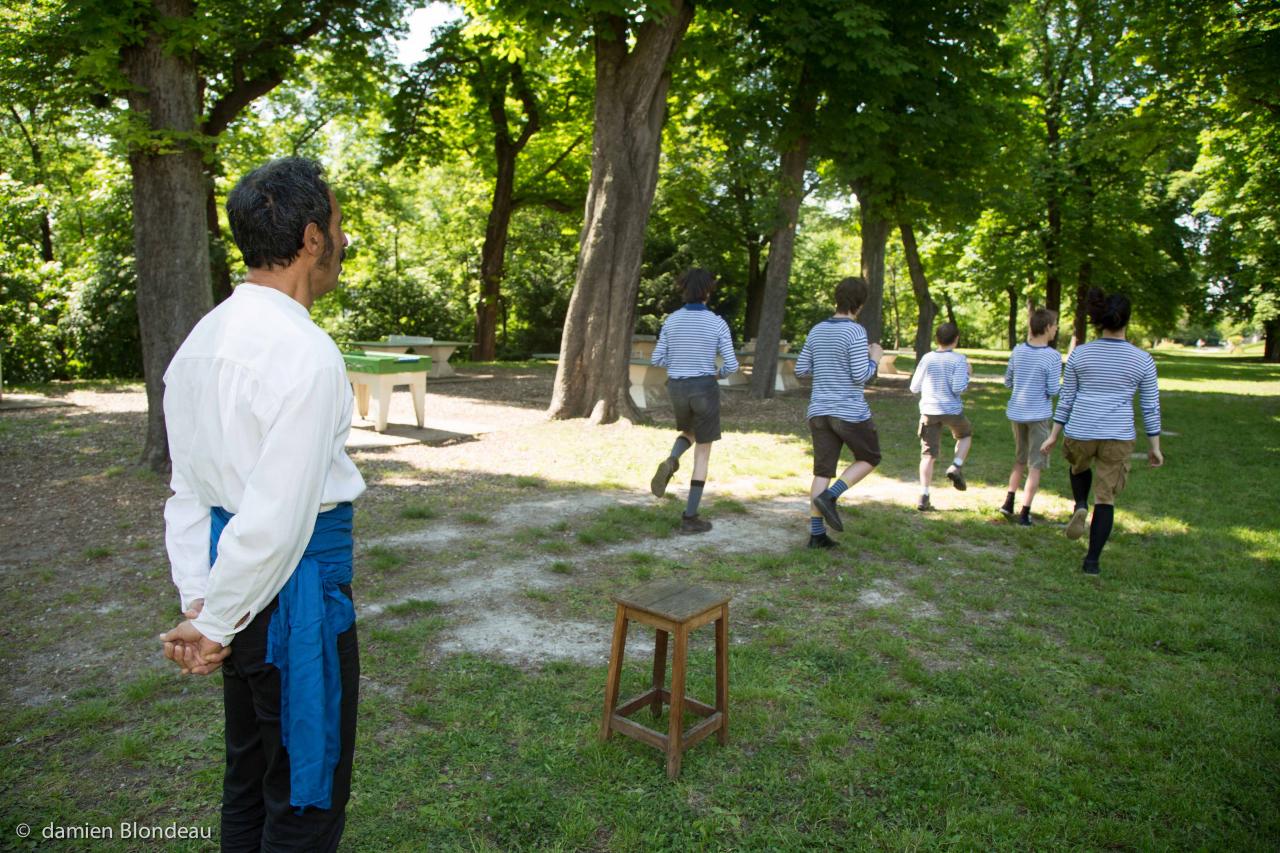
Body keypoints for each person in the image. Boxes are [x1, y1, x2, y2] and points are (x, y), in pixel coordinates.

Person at [159, 157, 365, 851]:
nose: (342, 243)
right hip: (286, 600)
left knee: (248, 776)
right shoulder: (305, 353)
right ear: (311, 238)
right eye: (338, 228)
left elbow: (188, 492)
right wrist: (214, 618)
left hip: (230, 590)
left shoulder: (197, 344)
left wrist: (201, 600)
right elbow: (279, 518)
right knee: (306, 791)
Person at [1040, 287, 1162, 575]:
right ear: (1126, 321)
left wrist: (1054, 434)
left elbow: (1066, 398)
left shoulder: (1080, 355)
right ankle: (1092, 562)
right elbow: (1150, 406)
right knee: (1106, 498)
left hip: (1081, 429)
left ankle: (1080, 503)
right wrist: (1154, 445)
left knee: (1078, 468)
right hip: (1117, 434)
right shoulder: (1142, 360)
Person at [795, 277, 884, 548]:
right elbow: (860, 376)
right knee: (869, 457)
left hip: (818, 411)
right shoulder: (855, 332)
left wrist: (826, 365)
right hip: (849, 412)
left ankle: (817, 535)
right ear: (861, 303)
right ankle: (831, 497)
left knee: (822, 471)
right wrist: (875, 358)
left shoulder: (817, 330)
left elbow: (800, 369)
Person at [649, 268, 738, 534]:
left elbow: (657, 360)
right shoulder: (716, 322)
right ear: (707, 292)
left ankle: (671, 459)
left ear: (684, 290)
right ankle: (690, 517)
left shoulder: (672, 321)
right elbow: (731, 364)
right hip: (704, 387)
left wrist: (678, 363)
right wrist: (718, 373)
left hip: (677, 387)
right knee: (703, 452)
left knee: (688, 431)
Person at [1000, 308, 1063, 525]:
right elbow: (1054, 389)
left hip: (1016, 413)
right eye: (1055, 324)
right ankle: (1025, 512)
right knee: (1035, 464)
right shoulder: (1053, 356)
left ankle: (1008, 502)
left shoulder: (1018, 351)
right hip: (1038, 416)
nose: (1056, 328)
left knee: (1019, 459)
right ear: (1047, 328)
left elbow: (1008, 381)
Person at [909, 322, 973, 511]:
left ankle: (924, 494)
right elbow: (958, 387)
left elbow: (914, 387)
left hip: (929, 410)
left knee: (927, 455)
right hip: (952, 410)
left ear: (936, 339)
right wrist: (968, 374)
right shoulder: (959, 359)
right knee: (965, 434)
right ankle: (956, 465)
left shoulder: (927, 358)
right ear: (956, 339)